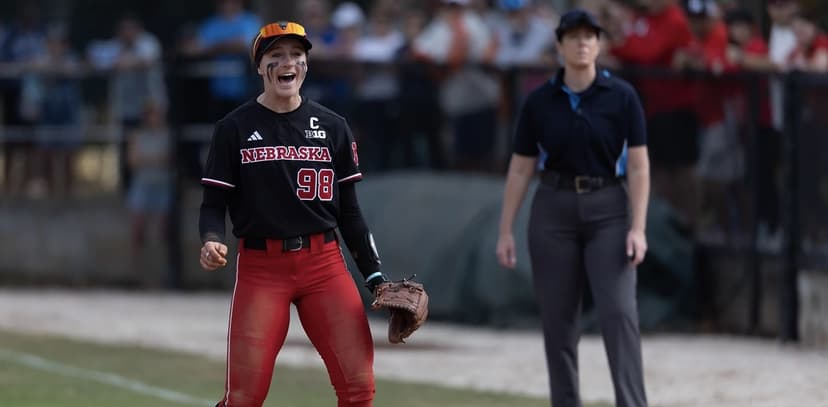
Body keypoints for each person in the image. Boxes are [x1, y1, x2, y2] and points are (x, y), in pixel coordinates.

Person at [197, 21, 389, 407]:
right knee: (244, 397)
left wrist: (375, 276)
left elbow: (350, 213)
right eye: (276, 56)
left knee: (359, 388)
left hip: (324, 264)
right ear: (259, 66)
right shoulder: (233, 128)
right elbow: (213, 205)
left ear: (306, 65)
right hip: (261, 267)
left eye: (296, 56)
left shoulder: (334, 127)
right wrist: (212, 240)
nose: (288, 63)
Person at [496, 9, 650, 407]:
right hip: (554, 207)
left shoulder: (622, 96)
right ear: (560, 44)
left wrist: (638, 227)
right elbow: (520, 167)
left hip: (609, 208)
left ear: (599, 43)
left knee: (618, 314)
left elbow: (637, 164)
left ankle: (632, 402)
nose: (582, 43)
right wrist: (506, 229)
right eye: (574, 36)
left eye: (590, 36)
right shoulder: (540, 101)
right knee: (559, 322)